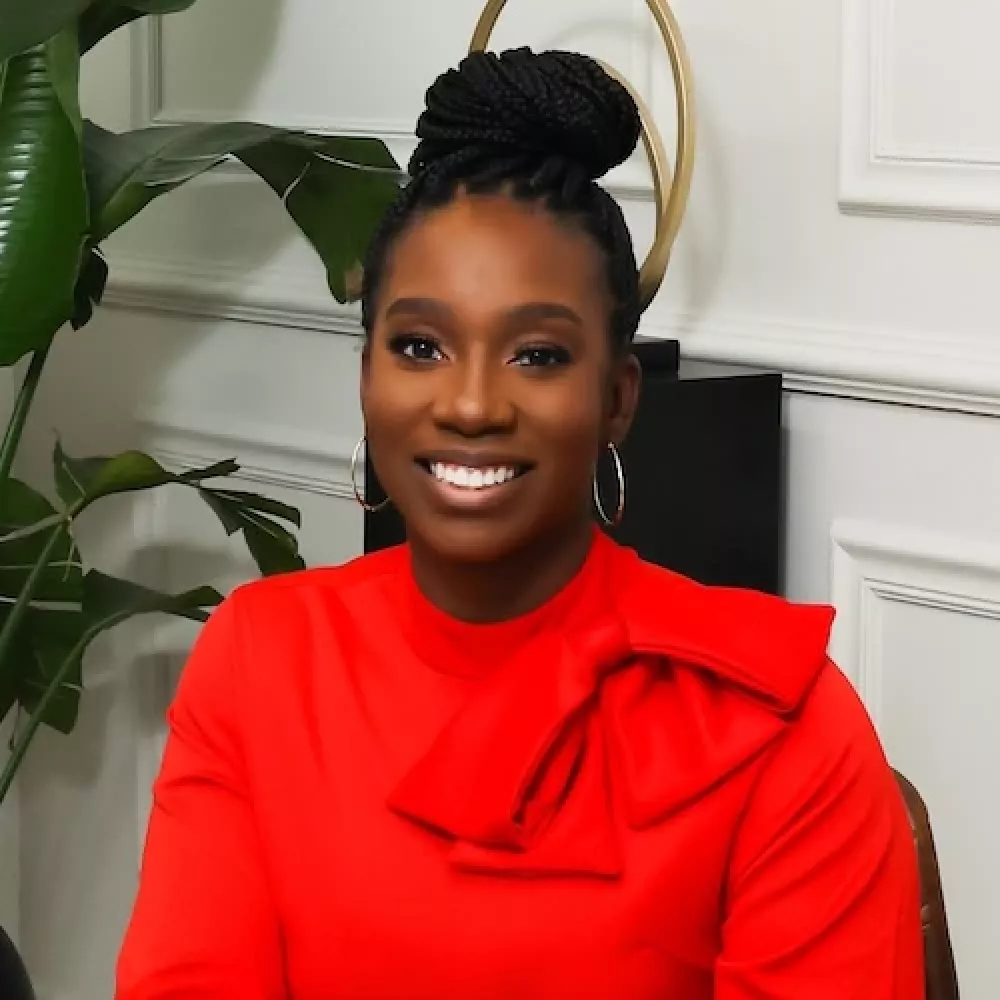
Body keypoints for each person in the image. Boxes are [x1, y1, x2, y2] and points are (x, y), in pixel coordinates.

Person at [115, 47, 925, 1000]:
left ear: (618, 399)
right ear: (366, 375)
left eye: (537, 355)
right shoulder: (258, 662)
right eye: (419, 345)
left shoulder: (781, 725)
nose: (469, 403)